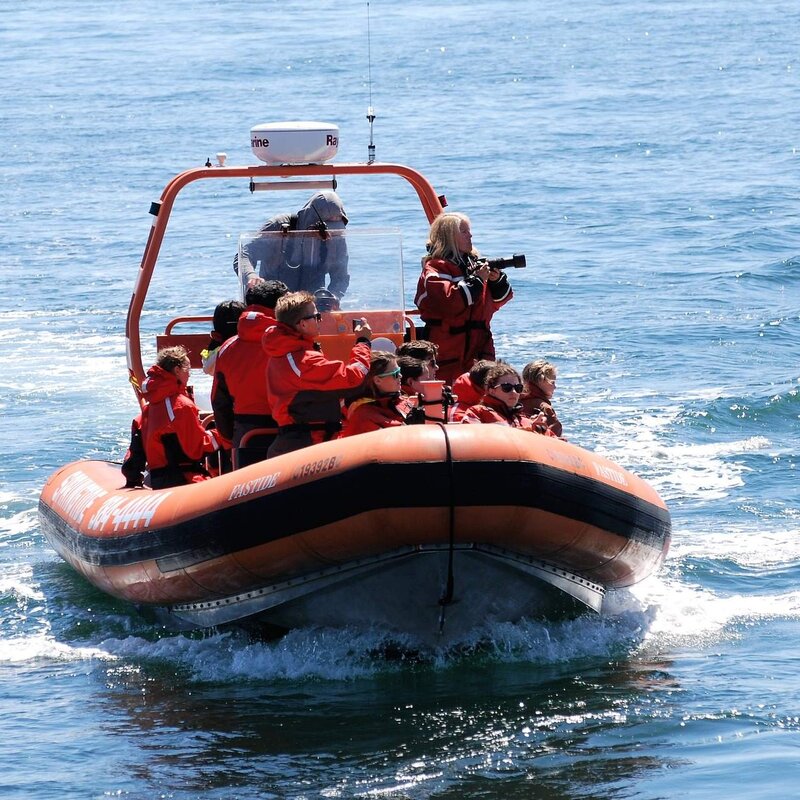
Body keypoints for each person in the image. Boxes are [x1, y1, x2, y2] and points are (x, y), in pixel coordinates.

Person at [262, 290, 372, 457]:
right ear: (302, 324)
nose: (320, 320)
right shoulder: (304, 361)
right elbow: (353, 377)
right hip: (307, 445)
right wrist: (363, 342)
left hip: (301, 440)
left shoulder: (285, 352)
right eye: (316, 316)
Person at [414, 212, 513, 385]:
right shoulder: (435, 268)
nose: (470, 235)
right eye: (464, 231)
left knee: (482, 393)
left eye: (469, 231)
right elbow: (448, 303)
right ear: (449, 237)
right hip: (448, 350)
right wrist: (477, 280)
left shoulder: (473, 265)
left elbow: (497, 301)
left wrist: (496, 280)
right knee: (448, 395)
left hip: (480, 348)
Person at [211, 280, 289, 467]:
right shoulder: (294, 342)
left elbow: (219, 402)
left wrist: (230, 441)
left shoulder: (227, 349)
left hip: (245, 437)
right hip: (291, 432)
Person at [121, 346, 221, 489]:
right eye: (188, 370)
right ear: (177, 370)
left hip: (158, 480)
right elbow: (197, 447)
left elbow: (134, 457)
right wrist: (224, 434)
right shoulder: (182, 407)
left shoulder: (148, 410)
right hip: (185, 480)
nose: (189, 375)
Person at [236, 191, 349, 298]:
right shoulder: (279, 227)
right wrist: (251, 276)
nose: (330, 235)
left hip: (311, 305)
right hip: (273, 300)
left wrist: (334, 298)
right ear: (311, 222)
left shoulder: (337, 238)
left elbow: (341, 278)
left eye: (336, 230)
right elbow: (244, 255)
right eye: (325, 230)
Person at [461, 364, 552, 433]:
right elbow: (475, 438)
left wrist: (540, 430)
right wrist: (526, 432)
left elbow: (557, 442)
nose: (514, 392)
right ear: (491, 390)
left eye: (518, 388)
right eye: (506, 387)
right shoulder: (477, 412)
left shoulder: (525, 420)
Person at [342, 351, 414, 437]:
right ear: (377, 380)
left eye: (399, 370)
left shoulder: (398, 400)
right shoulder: (363, 415)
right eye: (395, 374)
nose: (401, 376)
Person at [200, 299, 246, 375]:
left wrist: (206, 351)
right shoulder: (254, 346)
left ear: (216, 335)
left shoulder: (217, 352)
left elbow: (206, 368)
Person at [520, 359, 564, 438]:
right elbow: (555, 435)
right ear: (541, 380)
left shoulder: (514, 401)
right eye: (552, 382)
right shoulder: (544, 408)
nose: (555, 387)